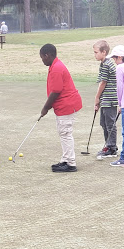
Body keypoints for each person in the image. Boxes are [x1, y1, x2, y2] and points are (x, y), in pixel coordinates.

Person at [39, 44, 82, 172]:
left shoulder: (57, 68)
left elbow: (56, 91)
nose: (42, 60)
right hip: (64, 105)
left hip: (66, 104)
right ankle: (65, 159)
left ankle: (70, 163)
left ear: (47, 55)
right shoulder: (54, 65)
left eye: (42, 57)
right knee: (63, 132)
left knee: (65, 133)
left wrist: (46, 107)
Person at [93, 40, 119, 160]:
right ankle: (108, 146)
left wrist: (97, 97)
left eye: (96, 52)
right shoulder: (104, 63)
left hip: (110, 98)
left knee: (110, 124)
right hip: (106, 98)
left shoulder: (107, 64)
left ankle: (112, 148)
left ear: (104, 52)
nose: (95, 55)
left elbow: (103, 83)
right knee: (104, 123)